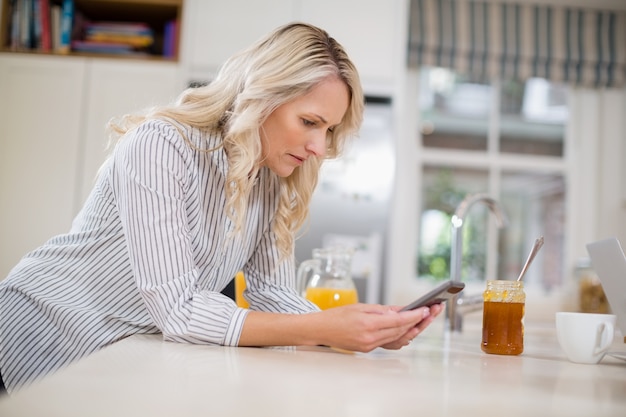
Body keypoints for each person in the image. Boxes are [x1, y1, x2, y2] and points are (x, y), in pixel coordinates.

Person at [0, 22, 442, 395]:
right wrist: (325, 328)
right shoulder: (162, 146)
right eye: (309, 122)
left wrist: (364, 330)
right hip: (39, 327)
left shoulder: (268, 178)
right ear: (262, 97)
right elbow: (180, 310)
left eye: (328, 130)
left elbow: (272, 293)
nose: (319, 147)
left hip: (114, 345)